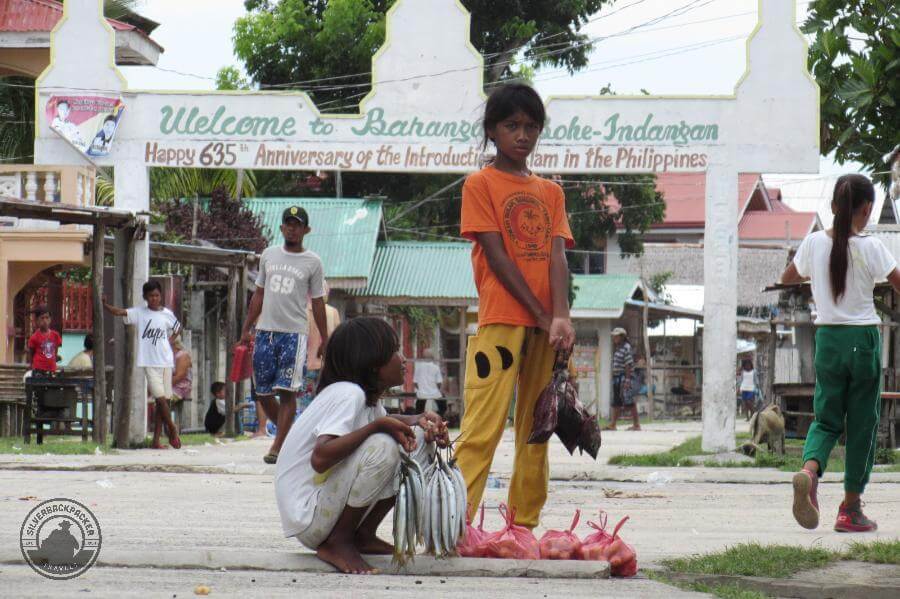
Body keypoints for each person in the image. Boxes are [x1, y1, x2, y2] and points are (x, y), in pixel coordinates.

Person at [454, 83, 576, 531]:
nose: (522, 135)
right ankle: (455, 522)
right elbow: (497, 256)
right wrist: (543, 315)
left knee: (537, 429)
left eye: (531, 126)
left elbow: (557, 255)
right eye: (511, 126)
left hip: (547, 328)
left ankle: (523, 526)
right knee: (482, 426)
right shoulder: (479, 184)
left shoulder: (551, 192)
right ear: (492, 131)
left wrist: (559, 316)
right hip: (502, 319)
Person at [275, 317, 449, 574]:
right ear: (372, 364)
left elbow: (384, 421)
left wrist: (420, 420)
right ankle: (339, 542)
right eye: (394, 352)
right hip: (309, 516)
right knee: (382, 446)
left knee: (418, 438)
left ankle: (363, 535)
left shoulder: (365, 400)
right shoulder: (348, 393)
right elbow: (321, 457)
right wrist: (378, 428)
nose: (402, 359)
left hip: (324, 510)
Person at [780, 174, 900, 533]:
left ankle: (809, 471)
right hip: (861, 339)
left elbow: (788, 277)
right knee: (862, 423)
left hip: (827, 339)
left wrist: (814, 276)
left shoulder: (814, 243)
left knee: (826, 418)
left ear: (833, 207)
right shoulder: (872, 246)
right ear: (866, 210)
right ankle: (850, 509)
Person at [239, 206, 330, 465]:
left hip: (294, 334)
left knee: (287, 391)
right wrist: (247, 327)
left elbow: (318, 302)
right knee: (264, 392)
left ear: (306, 230)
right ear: (281, 228)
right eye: (288, 224)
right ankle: (290, 436)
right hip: (265, 332)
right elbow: (259, 294)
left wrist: (324, 337)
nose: (292, 228)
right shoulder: (268, 255)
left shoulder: (313, 262)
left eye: (297, 224)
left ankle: (278, 446)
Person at [103, 281, 182, 450]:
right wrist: (105, 305)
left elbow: (177, 328)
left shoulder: (167, 314)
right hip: (149, 362)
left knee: (164, 402)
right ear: (145, 297)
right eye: (151, 296)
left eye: (157, 295)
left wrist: (169, 341)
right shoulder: (139, 313)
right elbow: (119, 312)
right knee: (160, 398)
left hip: (166, 361)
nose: (154, 298)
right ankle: (173, 429)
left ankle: (156, 441)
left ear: (161, 296)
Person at [300, 285, 341, 414]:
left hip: (307, 363)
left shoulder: (303, 311)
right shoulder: (333, 312)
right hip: (326, 364)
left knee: (306, 403)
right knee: (324, 401)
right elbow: (337, 337)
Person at [605, 328, 641, 431]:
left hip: (623, 377)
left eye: (616, 336)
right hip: (617, 377)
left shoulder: (626, 347)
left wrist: (627, 380)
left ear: (622, 337)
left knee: (629, 400)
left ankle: (636, 424)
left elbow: (628, 364)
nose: (614, 338)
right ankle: (613, 424)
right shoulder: (618, 348)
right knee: (616, 400)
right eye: (614, 336)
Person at [27, 307, 62, 378]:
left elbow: (55, 352)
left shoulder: (55, 335)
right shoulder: (34, 337)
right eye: (42, 318)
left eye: (47, 318)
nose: (45, 320)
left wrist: (54, 360)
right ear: (37, 320)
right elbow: (31, 354)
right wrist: (31, 367)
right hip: (38, 369)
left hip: (52, 369)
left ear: (50, 319)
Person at [413, 348, 444, 415]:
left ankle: (418, 420)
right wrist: (436, 389)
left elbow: (415, 383)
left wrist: (421, 389)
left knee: (419, 409)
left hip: (421, 393)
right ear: (432, 357)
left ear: (423, 357)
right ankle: (441, 418)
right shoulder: (436, 367)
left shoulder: (418, 367)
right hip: (435, 393)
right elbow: (439, 383)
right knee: (443, 407)